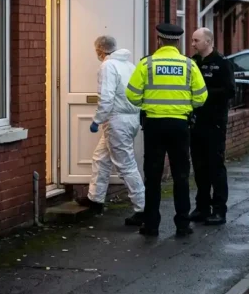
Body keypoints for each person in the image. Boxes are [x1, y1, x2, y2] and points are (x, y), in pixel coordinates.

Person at [125, 23, 207, 237]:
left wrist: (149, 102)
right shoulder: (189, 65)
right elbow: (201, 97)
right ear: (178, 42)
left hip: (153, 124)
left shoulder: (147, 64)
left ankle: (151, 225)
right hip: (180, 125)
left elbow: (132, 95)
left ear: (159, 40)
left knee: (152, 177)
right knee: (181, 176)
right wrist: (184, 104)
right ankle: (182, 224)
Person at [76, 36, 146, 225]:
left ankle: (142, 209)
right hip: (130, 118)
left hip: (116, 121)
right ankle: (95, 198)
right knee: (101, 158)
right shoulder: (129, 66)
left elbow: (106, 97)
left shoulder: (108, 66)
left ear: (100, 49)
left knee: (126, 165)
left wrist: (97, 120)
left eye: (96, 50)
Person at [188, 28, 236, 226]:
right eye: (192, 40)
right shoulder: (194, 62)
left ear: (208, 41)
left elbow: (230, 91)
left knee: (215, 166)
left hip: (214, 122)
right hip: (196, 121)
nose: (193, 44)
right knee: (199, 167)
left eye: (196, 40)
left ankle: (219, 210)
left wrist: (204, 93)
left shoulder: (222, 63)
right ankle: (202, 207)